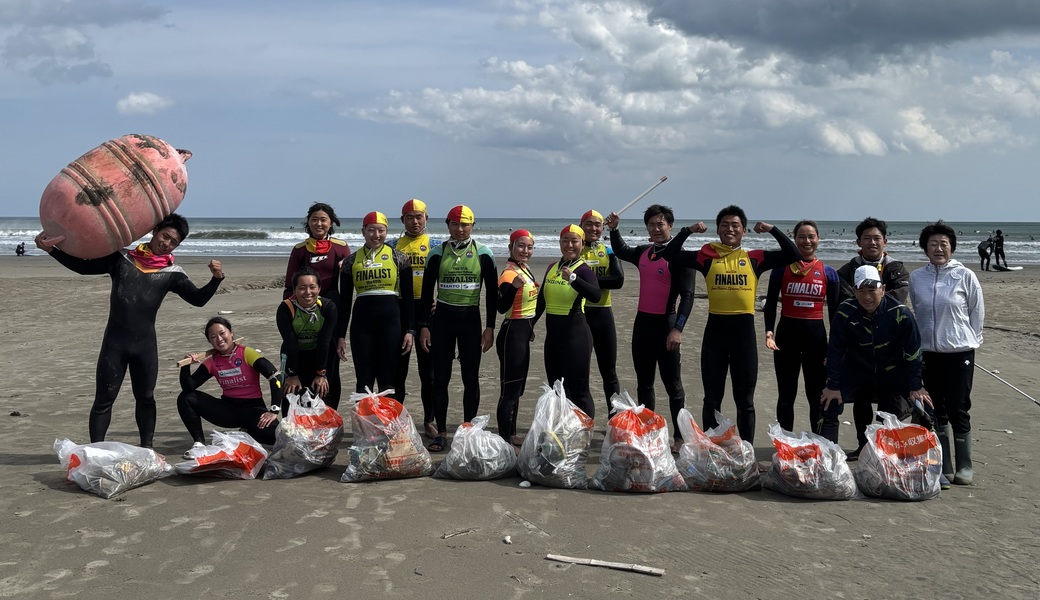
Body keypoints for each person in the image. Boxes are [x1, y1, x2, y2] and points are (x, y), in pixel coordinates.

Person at [34, 214, 224, 447]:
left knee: (145, 398)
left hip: (145, 347)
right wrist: (52, 251)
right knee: (104, 401)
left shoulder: (173, 273)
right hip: (114, 345)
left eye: (173, 242)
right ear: (155, 231)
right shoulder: (121, 259)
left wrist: (216, 279)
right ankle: (96, 451)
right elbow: (84, 267)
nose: (167, 243)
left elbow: (198, 300)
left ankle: (147, 449)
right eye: (165, 236)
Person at [661, 205, 799, 444]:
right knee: (712, 399)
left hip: (744, 335)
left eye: (735, 225)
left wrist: (772, 229)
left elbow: (793, 254)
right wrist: (688, 230)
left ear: (744, 231)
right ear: (718, 230)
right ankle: (712, 451)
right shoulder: (707, 256)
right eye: (724, 225)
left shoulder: (754, 258)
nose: (730, 229)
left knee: (745, 401)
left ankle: (746, 453)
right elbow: (670, 254)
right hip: (715, 333)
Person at [604, 205, 694, 451]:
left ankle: (678, 436)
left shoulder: (680, 257)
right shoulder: (644, 252)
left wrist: (678, 329)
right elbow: (622, 250)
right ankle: (649, 430)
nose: (656, 229)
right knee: (644, 383)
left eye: (660, 224)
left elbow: (687, 297)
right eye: (651, 225)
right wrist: (614, 229)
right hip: (642, 325)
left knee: (672, 384)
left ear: (670, 226)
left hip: (666, 326)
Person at [822, 265, 931, 457]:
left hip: (892, 369)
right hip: (857, 368)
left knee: (924, 405)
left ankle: (919, 457)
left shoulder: (900, 313)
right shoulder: (845, 311)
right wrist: (833, 385)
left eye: (872, 290)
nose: (867, 297)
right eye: (861, 291)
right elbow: (835, 350)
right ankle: (828, 461)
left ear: (883, 289)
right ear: (854, 291)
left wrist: (915, 386)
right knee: (829, 403)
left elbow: (913, 353)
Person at [909, 222, 984, 485]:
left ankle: (965, 465)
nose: (938, 248)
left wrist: (970, 340)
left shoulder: (965, 276)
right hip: (928, 352)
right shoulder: (917, 277)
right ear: (925, 248)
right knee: (934, 408)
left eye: (943, 244)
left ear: (951, 247)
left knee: (958, 406)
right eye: (933, 244)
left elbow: (976, 312)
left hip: (959, 351)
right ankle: (944, 464)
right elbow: (918, 311)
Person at [418, 205, 498, 452]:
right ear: (448, 225)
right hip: (441, 322)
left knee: (470, 379)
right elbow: (426, 293)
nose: (460, 229)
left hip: (470, 322)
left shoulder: (484, 253)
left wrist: (490, 327)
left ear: (472, 225)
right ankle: (441, 432)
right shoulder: (437, 253)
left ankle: (467, 431)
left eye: (465, 224)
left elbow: (492, 295)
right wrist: (423, 326)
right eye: (455, 224)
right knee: (440, 379)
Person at [762, 220, 840, 439]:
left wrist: (834, 348)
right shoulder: (780, 270)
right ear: (794, 240)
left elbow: (835, 314)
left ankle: (818, 442)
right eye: (802, 237)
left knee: (816, 396)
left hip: (817, 341)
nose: (807, 241)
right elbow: (770, 305)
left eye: (811, 236)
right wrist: (769, 331)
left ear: (818, 239)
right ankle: (785, 441)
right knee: (786, 395)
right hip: (786, 339)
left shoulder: (828, 273)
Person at [177, 317, 282, 457]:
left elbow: (276, 377)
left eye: (222, 333)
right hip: (228, 410)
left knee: (275, 437)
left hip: (253, 410)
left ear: (231, 333)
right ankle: (199, 443)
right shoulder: (212, 361)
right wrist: (186, 366)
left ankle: (248, 432)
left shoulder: (247, 353)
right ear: (209, 341)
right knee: (186, 398)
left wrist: (274, 410)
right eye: (213, 337)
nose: (219, 339)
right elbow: (188, 387)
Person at [336, 212, 414, 398]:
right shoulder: (350, 262)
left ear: (387, 232)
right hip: (362, 327)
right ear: (363, 231)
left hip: (391, 326)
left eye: (381, 230)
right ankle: (365, 426)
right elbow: (345, 302)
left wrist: (410, 330)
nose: (376, 235)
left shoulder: (399, 258)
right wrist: (340, 336)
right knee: (364, 380)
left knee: (388, 381)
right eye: (371, 230)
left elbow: (408, 298)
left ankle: (389, 426)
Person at [283, 202, 351, 410]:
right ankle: (304, 412)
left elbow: (348, 288)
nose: (318, 223)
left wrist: (342, 333)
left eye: (323, 219)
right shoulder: (300, 249)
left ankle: (331, 413)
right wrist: (289, 315)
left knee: (331, 366)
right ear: (308, 222)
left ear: (331, 222)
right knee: (305, 363)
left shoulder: (341, 247)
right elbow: (289, 286)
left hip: (331, 309)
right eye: (314, 219)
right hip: (304, 309)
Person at [534, 225, 602, 419]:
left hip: (576, 336)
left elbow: (596, 295)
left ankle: (584, 435)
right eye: (565, 241)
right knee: (557, 390)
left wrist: (573, 279)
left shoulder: (583, 270)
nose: (569, 245)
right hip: (553, 338)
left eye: (575, 241)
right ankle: (564, 432)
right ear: (560, 243)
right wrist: (529, 326)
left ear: (582, 244)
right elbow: (541, 302)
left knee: (579, 391)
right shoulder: (552, 268)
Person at [389, 199, 441, 437]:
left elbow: (448, 276)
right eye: (409, 217)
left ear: (426, 219)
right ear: (402, 220)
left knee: (428, 373)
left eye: (419, 216)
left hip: (427, 310)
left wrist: (438, 300)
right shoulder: (391, 246)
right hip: (400, 309)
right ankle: (396, 419)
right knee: (398, 371)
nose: (415, 221)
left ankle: (428, 420)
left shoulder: (437, 246)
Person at [579, 209, 624, 416]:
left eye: (597, 224)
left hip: (603, 314)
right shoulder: (574, 251)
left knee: (609, 372)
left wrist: (586, 283)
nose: (593, 228)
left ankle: (614, 418)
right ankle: (580, 418)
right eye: (589, 224)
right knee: (579, 371)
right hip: (579, 315)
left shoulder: (608, 251)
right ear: (581, 227)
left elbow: (618, 280)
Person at [495, 229, 539, 445]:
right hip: (511, 335)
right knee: (509, 390)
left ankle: (511, 434)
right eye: (521, 246)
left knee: (518, 389)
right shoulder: (509, 274)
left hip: (522, 333)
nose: (525, 251)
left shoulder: (524, 268)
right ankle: (504, 441)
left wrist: (530, 327)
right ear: (511, 247)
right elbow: (501, 307)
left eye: (530, 247)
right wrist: (513, 288)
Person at [277, 267, 339, 402]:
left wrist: (321, 373)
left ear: (319, 288)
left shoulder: (328, 307)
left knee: (321, 394)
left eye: (312, 287)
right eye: (302, 288)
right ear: (294, 290)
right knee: (292, 395)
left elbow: (325, 341)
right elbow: (290, 342)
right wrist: (293, 374)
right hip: (294, 354)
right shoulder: (286, 308)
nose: (308, 292)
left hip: (321, 354)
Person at [835, 217, 909, 304]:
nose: (872, 242)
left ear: (884, 242)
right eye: (867, 238)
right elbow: (845, 299)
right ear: (859, 242)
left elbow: (900, 296)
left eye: (877, 238)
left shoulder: (897, 269)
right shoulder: (848, 270)